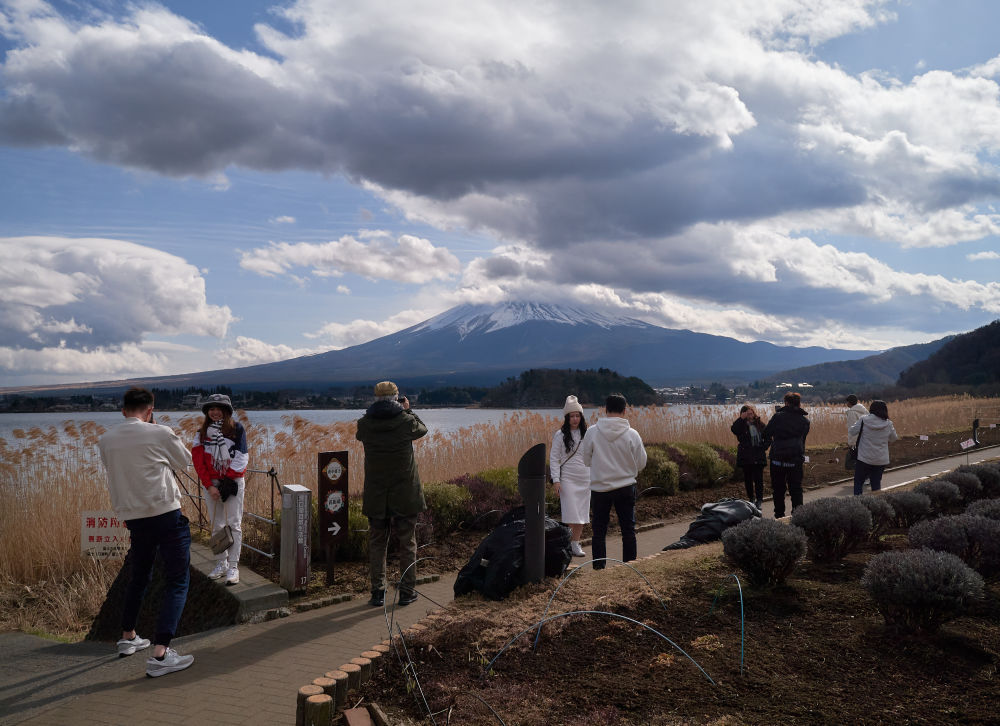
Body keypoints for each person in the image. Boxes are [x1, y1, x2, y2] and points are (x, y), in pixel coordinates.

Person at [97, 387, 195, 678]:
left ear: (123, 410)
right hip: (165, 513)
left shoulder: (106, 440)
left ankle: (128, 637)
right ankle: (161, 654)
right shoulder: (160, 433)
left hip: (134, 518)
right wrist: (156, 432)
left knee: (139, 575)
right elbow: (185, 461)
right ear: (150, 410)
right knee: (177, 580)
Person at [356, 381, 428, 607]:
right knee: (407, 543)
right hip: (405, 493)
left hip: (377, 493)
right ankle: (407, 592)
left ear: (375, 399)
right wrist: (408, 409)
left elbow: (361, 434)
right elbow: (422, 429)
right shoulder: (406, 421)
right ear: (396, 398)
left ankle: (378, 592)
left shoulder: (365, 424)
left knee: (378, 543)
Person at [581, 393, 647, 570]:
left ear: (605, 409)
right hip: (625, 487)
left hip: (600, 488)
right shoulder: (632, 434)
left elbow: (585, 460)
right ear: (625, 410)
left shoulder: (592, 432)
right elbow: (642, 463)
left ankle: (599, 569)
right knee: (628, 530)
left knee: (599, 532)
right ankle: (630, 567)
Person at [191, 393, 249, 586]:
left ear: (227, 411)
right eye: (211, 408)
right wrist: (209, 485)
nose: (215, 412)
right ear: (207, 412)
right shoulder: (201, 434)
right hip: (212, 485)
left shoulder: (237, 429)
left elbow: (242, 456)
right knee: (216, 524)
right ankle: (221, 563)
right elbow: (198, 461)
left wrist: (226, 480)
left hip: (232, 483)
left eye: (219, 408)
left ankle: (233, 566)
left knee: (234, 523)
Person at [550, 395, 590, 557]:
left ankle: (575, 544)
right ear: (567, 418)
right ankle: (566, 544)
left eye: (577, 415)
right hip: (568, 478)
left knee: (581, 514)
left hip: (585, 478)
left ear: (581, 416)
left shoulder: (587, 433)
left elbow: (593, 455)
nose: (575, 419)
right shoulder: (560, 435)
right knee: (569, 513)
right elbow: (554, 458)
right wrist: (556, 480)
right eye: (572, 416)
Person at [763, 391, 810, 519]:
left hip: (777, 460)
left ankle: (779, 516)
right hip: (795, 460)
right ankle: (798, 517)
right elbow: (802, 440)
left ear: (786, 403)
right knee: (796, 490)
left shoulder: (778, 417)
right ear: (799, 404)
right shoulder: (805, 421)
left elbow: (766, 433)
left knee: (778, 490)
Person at [849, 400, 899, 495]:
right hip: (880, 459)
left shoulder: (864, 419)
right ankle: (875, 505)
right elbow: (893, 438)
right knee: (876, 484)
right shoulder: (888, 423)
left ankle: (859, 504)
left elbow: (852, 431)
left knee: (858, 482)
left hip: (864, 458)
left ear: (871, 409)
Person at [731, 405, 767, 510]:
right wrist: (741, 419)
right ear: (743, 414)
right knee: (748, 479)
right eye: (747, 414)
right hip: (746, 455)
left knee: (758, 479)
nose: (750, 416)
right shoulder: (741, 425)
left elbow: (768, 437)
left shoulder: (760, 424)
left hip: (758, 455)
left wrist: (763, 447)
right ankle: (751, 498)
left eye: (751, 413)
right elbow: (734, 430)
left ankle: (759, 499)